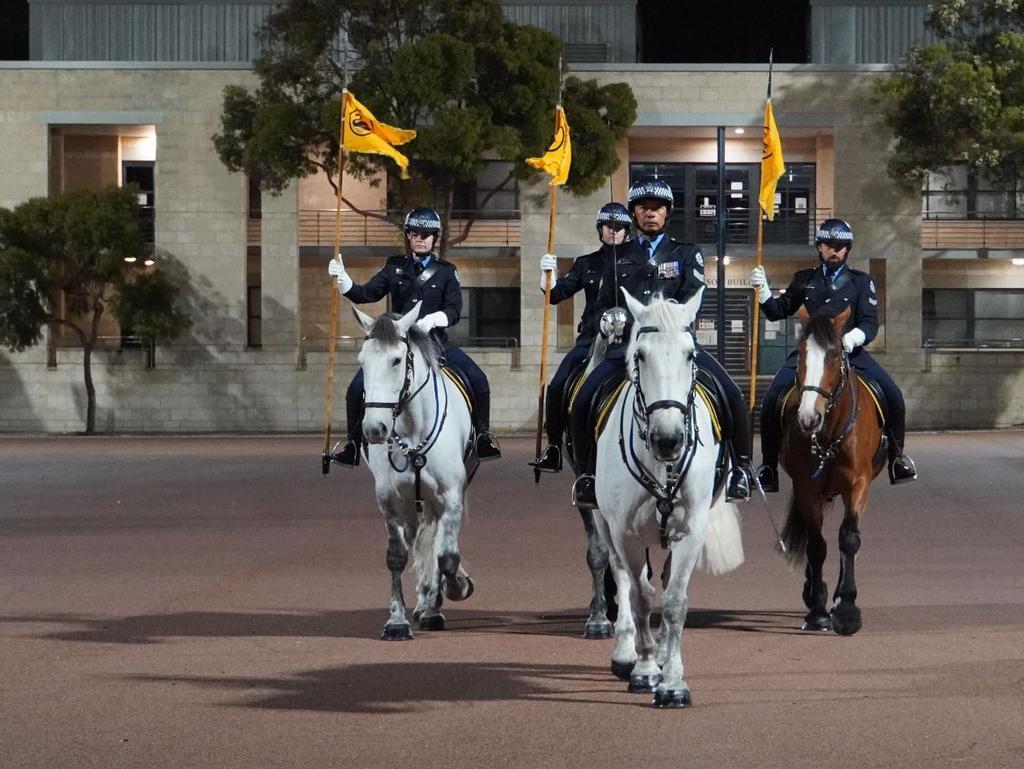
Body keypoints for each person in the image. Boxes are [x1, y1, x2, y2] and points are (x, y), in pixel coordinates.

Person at [567, 176, 755, 509]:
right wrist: (608, 321)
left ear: (668, 213)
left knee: (732, 395)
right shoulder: (615, 257)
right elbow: (602, 305)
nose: (650, 214)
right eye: (643, 208)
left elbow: (693, 296)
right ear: (634, 214)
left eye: (657, 208)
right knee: (583, 400)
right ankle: (587, 476)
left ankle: (741, 469)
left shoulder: (687, 254)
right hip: (629, 347)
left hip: (678, 346)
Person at [750, 217, 917, 490]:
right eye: (828, 245)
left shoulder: (862, 282)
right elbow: (776, 312)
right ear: (819, 247)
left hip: (851, 353)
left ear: (848, 249)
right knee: (771, 401)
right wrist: (765, 292)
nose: (834, 250)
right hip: (810, 355)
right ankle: (769, 467)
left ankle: (898, 458)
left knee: (894, 396)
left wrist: (852, 338)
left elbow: (869, 322)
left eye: (840, 246)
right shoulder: (804, 280)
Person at [326, 207, 501, 466]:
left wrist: (434, 319)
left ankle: (482, 437)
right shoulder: (394, 267)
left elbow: (454, 309)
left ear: (434, 238)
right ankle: (352, 444)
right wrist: (344, 282)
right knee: (355, 390)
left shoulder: (446, 271)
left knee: (479, 380)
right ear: (408, 236)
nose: (421, 238)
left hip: (436, 344)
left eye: (427, 234)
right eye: (415, 233)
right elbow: (367, 294)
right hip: (398, 344)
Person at [531, 202, 632, 473]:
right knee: (557, 386)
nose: (614, 231)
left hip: (628, 341)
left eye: (620, 227)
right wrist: (547, 277)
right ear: (600, 229)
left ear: (627, 231)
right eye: (608, 226)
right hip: (590, 341)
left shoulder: (638, 263)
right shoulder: (585, 263)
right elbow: (556, 295)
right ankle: (554, 446)